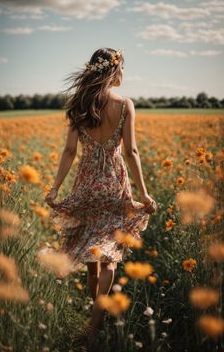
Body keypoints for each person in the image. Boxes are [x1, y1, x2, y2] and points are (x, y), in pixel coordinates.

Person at [44, 47, 157, 347]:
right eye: (122, 69)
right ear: (113, 70)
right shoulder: (125, 105)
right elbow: (131, 152)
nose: (123, 75)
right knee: (110, 257)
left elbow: (69, 151)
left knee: (93, 255)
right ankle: (95, 327)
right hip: (114, 186)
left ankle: (92, 322)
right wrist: (144, 194)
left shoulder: (80, 104)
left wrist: (55, 188)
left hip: (86, 184)